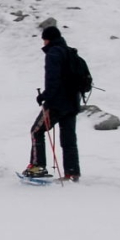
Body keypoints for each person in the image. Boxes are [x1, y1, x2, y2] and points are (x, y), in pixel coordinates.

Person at [24, 25, 81, 182]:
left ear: (47, 39)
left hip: (57, 103)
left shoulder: (53, 53)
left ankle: (38, 166)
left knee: (36, 131)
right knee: (69, 139)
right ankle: (72, 172)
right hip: (72, 103)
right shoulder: (70, 52)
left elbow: (53, 79)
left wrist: (44, 96)